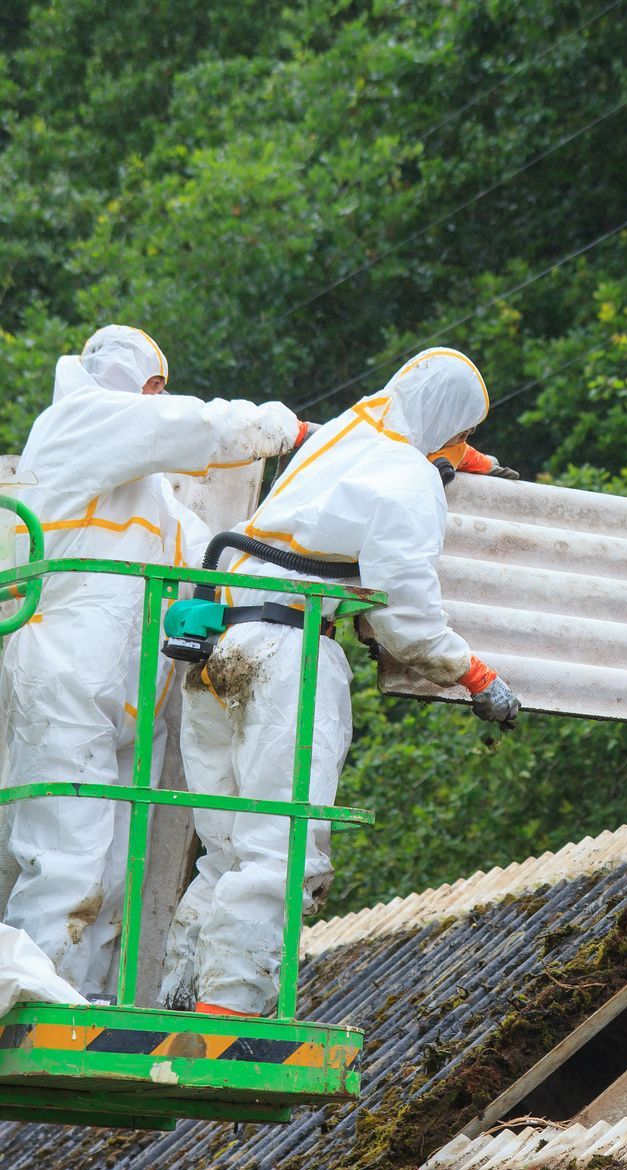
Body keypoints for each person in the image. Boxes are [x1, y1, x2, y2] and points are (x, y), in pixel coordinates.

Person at [159, 346, 520, 1015]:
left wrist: (463, 460)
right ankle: (226, 1019)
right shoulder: (405, 474)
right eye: (463, 434)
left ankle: (179, 1010)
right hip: (286, 654)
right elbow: (403, 612)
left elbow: (396, 441)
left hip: (220, 640)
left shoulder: (350, 434)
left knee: (228, 850)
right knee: (280, 849)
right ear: (446, 423)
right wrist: (472, 674)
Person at [0, 324, 300, 998]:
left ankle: (80, 1001)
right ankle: (35, 999)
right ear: (152, 386)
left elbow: (211, 554)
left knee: (108, 870)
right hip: (69, 673)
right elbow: (195, 428)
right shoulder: (79, 419)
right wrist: (284, 428)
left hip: (124, 691)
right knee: (67, 859)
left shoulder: (147, 496)